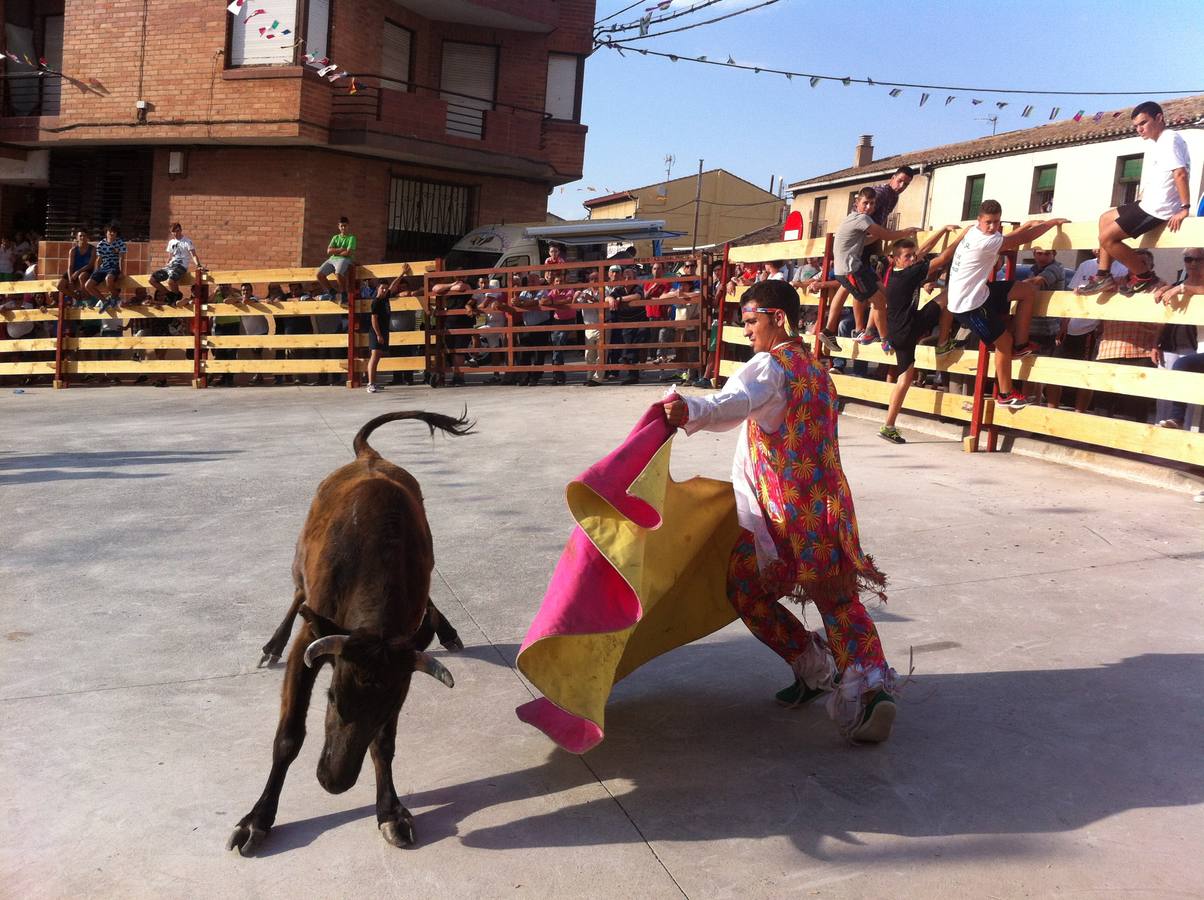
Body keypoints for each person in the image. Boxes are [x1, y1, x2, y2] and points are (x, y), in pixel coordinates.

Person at [661, 279, 899, 743]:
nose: (747, 330)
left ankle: (859, 689)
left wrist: (686, 408)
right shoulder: (816, 369)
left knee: (751, 591)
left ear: (778, 318)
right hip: (828, 507)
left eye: (751, 320)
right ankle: (839, 677)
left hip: (784, 514)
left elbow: (730, 404)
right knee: (829, 596)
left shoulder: (768, 365)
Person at [944, 201, 1069, 408]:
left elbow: (1010, 238)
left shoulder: (973, 231)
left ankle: (1021, 345)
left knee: (1026, 291)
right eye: (988, 223)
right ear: (979, 220)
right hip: (969, 305)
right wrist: (1050, 223)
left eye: (996, 222)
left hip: (979, 293)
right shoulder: (985, 241)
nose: (992, 227)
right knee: (1003, 343)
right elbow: (1021, 239)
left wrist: (1027, 225)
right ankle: (1005, 394)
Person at [1077, 101, 1192, 296]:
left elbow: (1180, 174)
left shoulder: (1170, 139)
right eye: (1136, 126)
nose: (1139, 129)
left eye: (1143, 123)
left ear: (1159, 118)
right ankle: (1103, 276)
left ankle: (1145, 276)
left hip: (1158, 209)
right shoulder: (1159, 142)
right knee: (1106, 218)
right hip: (1148, 203)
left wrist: (1184, 208)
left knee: (1106, 238)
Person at [877, 226, 963, 443]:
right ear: (896, 260)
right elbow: (942, 258)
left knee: (904, 380)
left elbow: (922, 251)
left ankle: (889, 425)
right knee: (949, 294)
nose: (912, 259)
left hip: (897, 332)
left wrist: (942, 230)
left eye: (912, 256)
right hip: (910, 328)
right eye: (907, 257)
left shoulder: (897, 272)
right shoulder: (909, 274)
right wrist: (963, 235)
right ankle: (943, 341)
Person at [817, 187, 917, 352]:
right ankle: (884, 339)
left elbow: (863, 242)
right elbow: (886, 235)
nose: (869, 207)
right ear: (857, 203)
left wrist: (878, 235)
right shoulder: (862, 219)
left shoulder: (851, 219)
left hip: (847, 269)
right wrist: (907, 231)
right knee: (878, 301)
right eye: (865, 203)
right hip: (852, 270)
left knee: (874, 297)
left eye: (872, 204)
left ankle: (830, 331)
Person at [149, 222, 204, 306]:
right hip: (170, 266)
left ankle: (175, 298)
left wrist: (199, 265)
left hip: (181, 266)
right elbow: (170, 257)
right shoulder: (171, 242)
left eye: (177, 231)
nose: (176, 233)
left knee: (170, 281)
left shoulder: (187, 241)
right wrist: (166, 265)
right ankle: (170, 295)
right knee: (152, 279)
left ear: (181, 230)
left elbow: (193, 255)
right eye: (173, 232)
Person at [608, 265, 647, 385]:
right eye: (624, 277)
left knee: (635, 343)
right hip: (625, 322)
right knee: (627, 343)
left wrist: (619, 299)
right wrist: (610, 299)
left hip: (639, 320)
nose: (626, 279)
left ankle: (632, 372)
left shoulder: (637, 288)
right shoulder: (618, 289)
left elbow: (638, 296)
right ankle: (631, 372)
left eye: (629, 277)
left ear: (634, 278)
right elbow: (608, 297)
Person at [316, 216, 356, 303]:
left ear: (348, 226)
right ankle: (331, 291)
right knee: (319, 274)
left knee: (338, 273)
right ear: (338, 226)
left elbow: (348, 253)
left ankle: (343, 293)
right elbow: (328, 251)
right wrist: (340, 249)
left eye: (345, 226)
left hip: (345, 259)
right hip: (333, 259)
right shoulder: (335, 237)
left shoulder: (351, 238)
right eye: (341, 226)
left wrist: (335, 252)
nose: (343, 228)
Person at [86, 224, 127, 311]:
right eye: (110, 232)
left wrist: (121, 272)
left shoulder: (120, 243)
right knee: (88, 285)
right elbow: (99, 259)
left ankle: (115, 298)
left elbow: (121, 258)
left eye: (114, 232)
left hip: (114, 266)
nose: (112, 234)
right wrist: (96, 271)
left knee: (109, 279)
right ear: (106, 233)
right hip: (103, 267)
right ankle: (104, 301)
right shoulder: (101, 244)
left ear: (116, 234)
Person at [576, 270, 605, 386]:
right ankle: (589, 377)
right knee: (589, 354)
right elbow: (577, 308)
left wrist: (592, 299)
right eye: (592, 279)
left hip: (601, 325)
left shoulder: (605, 291)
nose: (594, 281)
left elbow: (605, 307)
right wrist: (577, 296)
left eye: (597, 279)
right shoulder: (585, 292)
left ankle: (597, 379)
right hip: (588, 326)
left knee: (600, 354)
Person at [364, 283, 392, 394]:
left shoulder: (386, 299)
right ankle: (370, 384)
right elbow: (374, 320)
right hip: (376, 332)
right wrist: (378, 334)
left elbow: (392, 286)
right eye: (382, 288)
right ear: (377, 289)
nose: (384, 290)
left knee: (378, 357)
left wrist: (402, 274)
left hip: (384, 331)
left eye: (386, 288)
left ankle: (374, 383)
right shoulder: (376, 302)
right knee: (374, 357)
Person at [57, 229, 95, 302]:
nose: (82, 237)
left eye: (84, 236)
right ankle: (77, 298)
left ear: (87, 237)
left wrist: (78, 272)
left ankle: (87, 298)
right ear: (77, 238)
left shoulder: (92, 249)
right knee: (60, 286)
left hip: (86, 270)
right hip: (74, 270)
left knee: (81, 277)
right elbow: (70, 266)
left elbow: (90, 265)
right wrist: (71, 280)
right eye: (80, 236)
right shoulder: (73, 250)